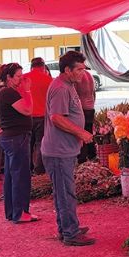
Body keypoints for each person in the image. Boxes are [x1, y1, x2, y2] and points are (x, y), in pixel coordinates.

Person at [42, 51, 96, 246]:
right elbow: (56, 118)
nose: (83, 73)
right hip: (58, 151)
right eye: (79, 69)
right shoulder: (60, 88)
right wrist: (81, 133)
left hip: (65, 149)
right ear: (67, 70)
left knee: (64, 192)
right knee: (65, 193)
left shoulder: (68, 85)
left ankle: (67, 227)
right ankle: (70, 233)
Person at [0, 63, 38, 223]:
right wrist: (28, 91)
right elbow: (28, 110)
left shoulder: (1, 91)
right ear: (9, 77)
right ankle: (20, 213)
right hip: (17, 138)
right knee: (20, 176)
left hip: (10, 138)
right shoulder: (8, 92)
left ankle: (13, 212)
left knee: (11, 175)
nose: (21, 79)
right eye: (18, 76)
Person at [23, 57, 53, 175]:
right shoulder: (49, 80)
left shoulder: (24, 78)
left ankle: (27, 168)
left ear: (31, 66)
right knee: (41, 143)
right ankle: (39, 169)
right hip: (43, 117)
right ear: (43, 67)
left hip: (26, 116)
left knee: (28, 144)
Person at [76, 69, 96, 163]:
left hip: (82, 108)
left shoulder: (78, 76)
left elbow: (75, 94)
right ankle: (92, 154)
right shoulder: (89, 74)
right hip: (90, 107)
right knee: (89, 132)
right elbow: (94, 93)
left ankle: (82, 158)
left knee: (82, 133)